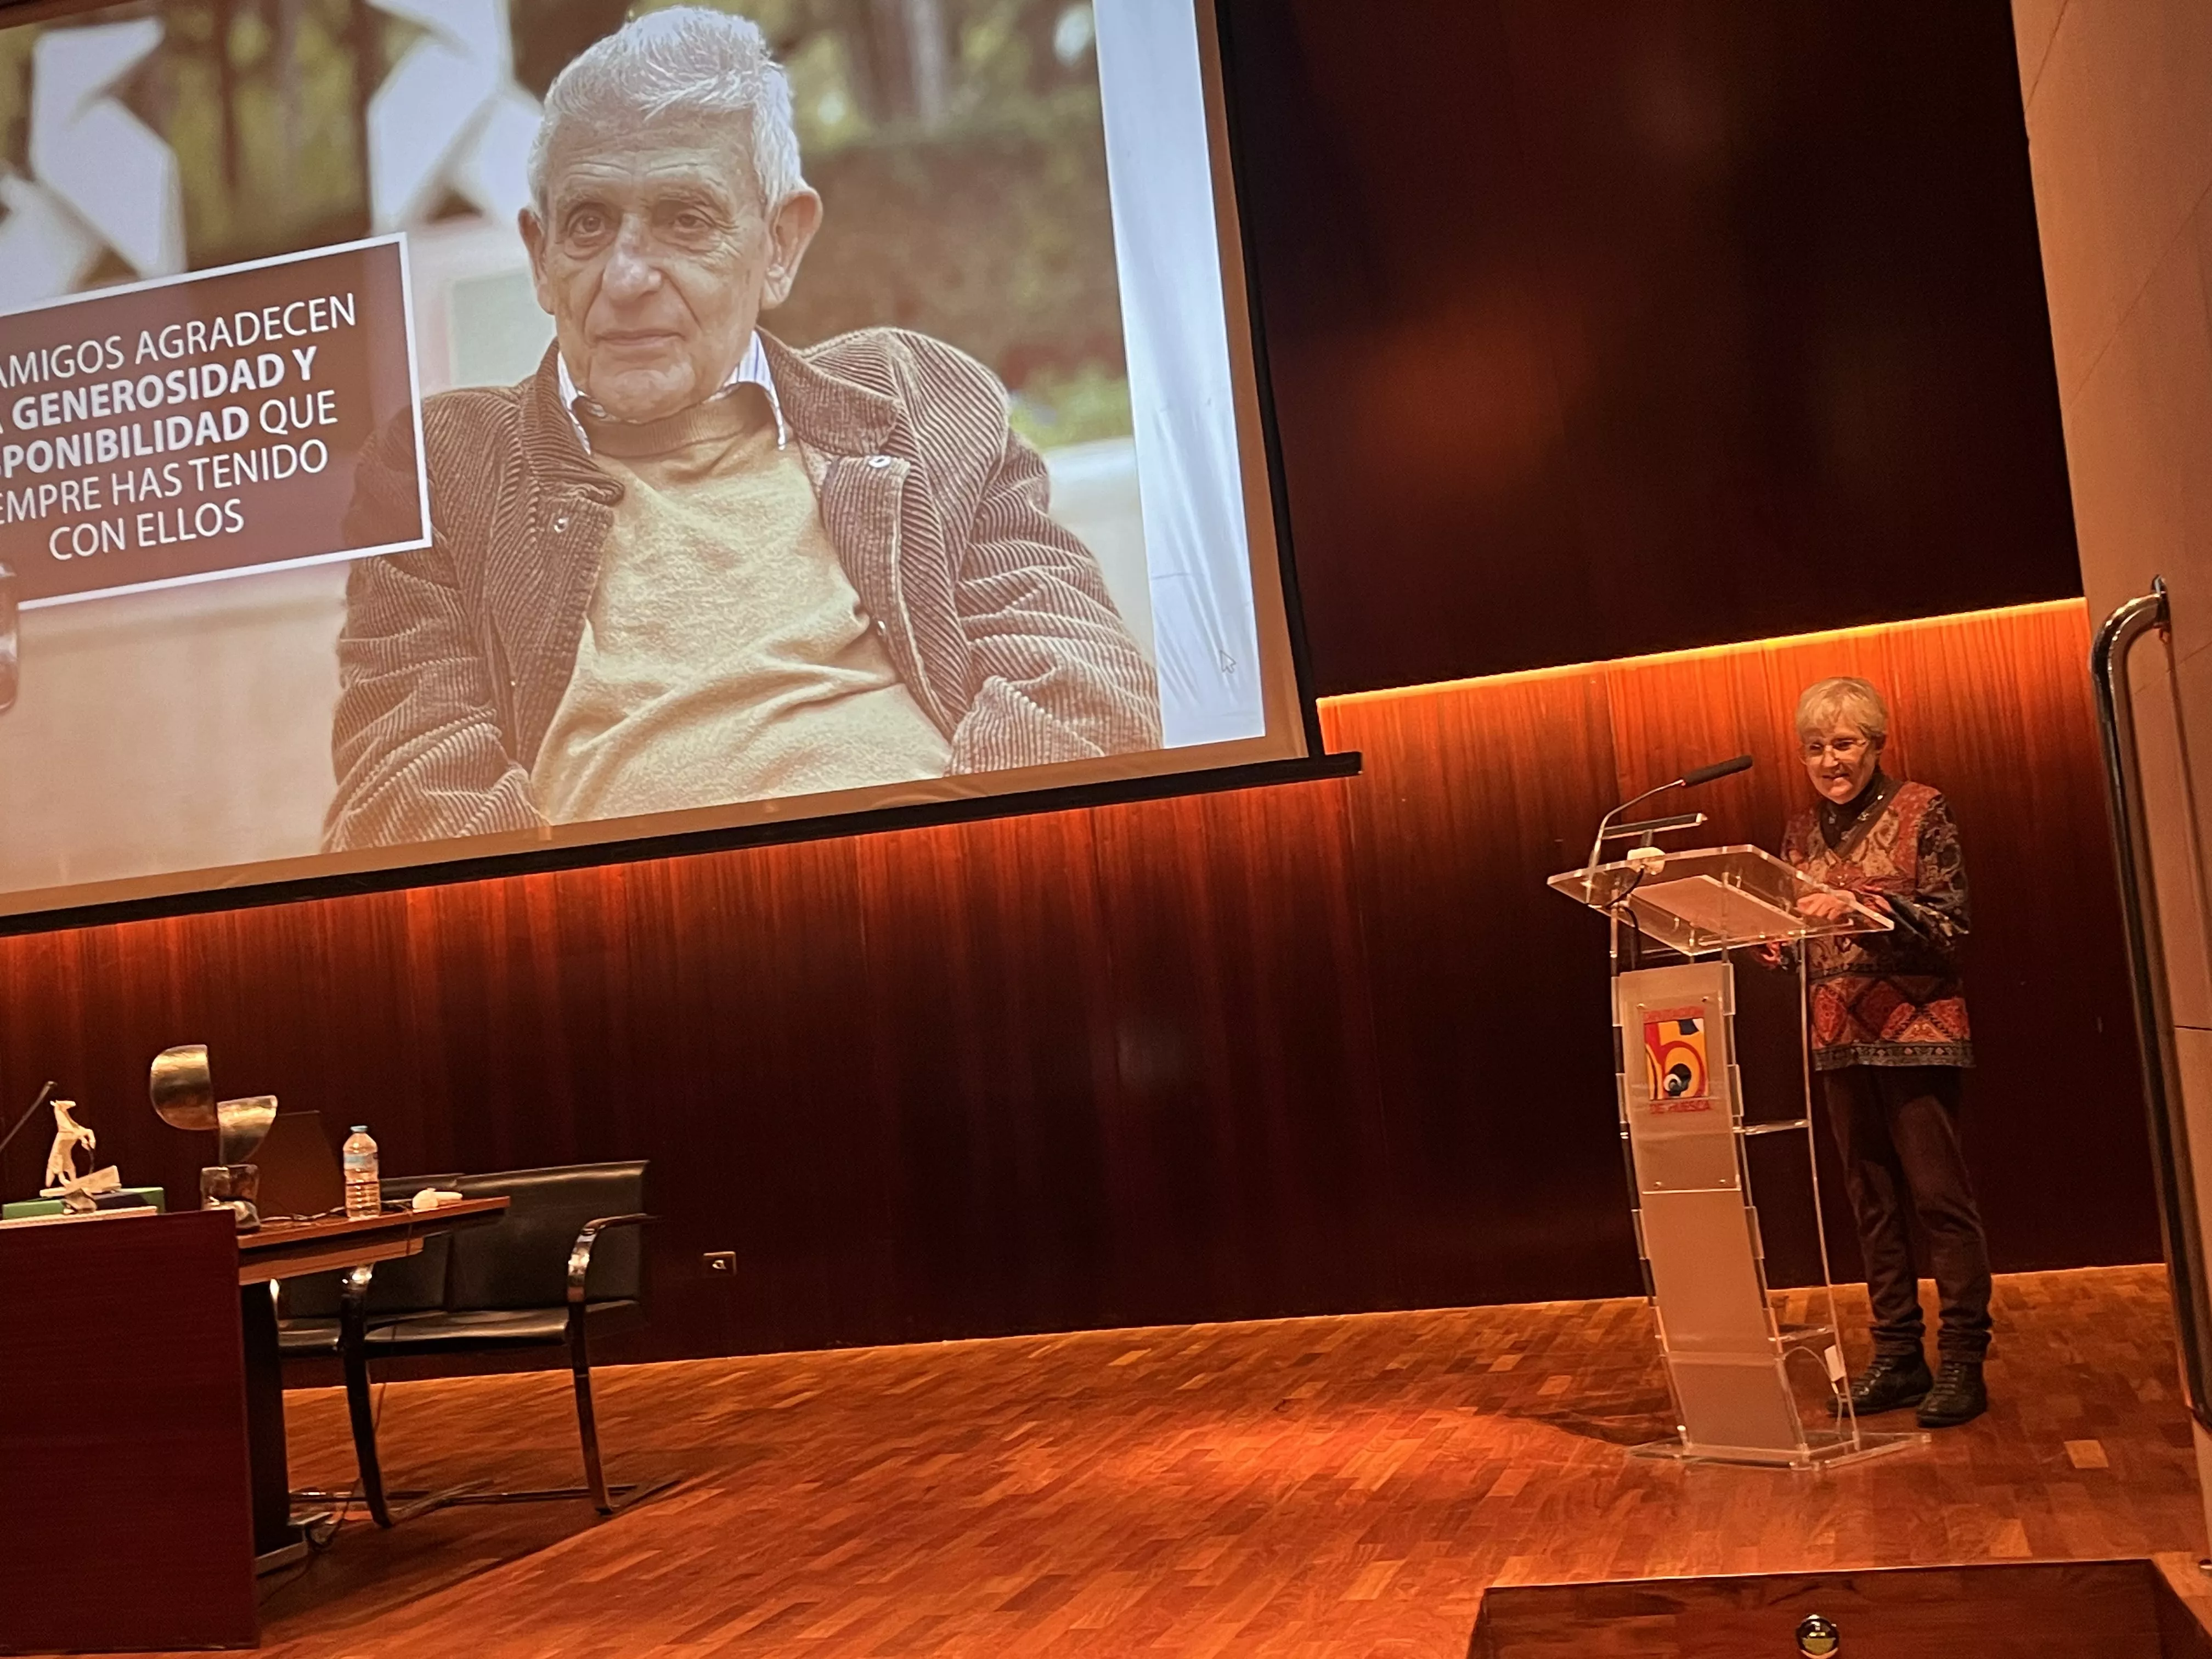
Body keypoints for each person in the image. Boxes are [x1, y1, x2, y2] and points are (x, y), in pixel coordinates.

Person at [324, 7, 1160, 852]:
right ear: (541, 257)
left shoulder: (914, 398)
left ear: (781, 245)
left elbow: (1087, 693)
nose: (627, 275)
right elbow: (405, 789)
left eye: (686, 219)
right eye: (588, 223)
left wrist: (946, 882)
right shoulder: (446, 468)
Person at [1780, 676, 1991, 1429]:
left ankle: (1964, 1360)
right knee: (1872, 1207)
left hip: (1917, 1031)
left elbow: (1951, 923)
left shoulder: (1923, 809)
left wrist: (1859, 905)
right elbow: (1795, 932)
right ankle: (1899, 1358)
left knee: (1939, 1201)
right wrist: (1770, 938)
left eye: (1843, 744)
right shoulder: (1799, 832)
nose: (1830, 761)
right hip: (1837, 1036)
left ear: (1876, 743)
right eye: (1815, 748)